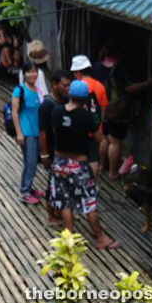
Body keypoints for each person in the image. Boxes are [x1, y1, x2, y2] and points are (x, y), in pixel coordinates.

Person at [49, 79, 119, 249]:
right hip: (78, 165)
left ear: (70, 95)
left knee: (65, 203)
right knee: (89, 203)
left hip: (59, 163)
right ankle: (100, 238)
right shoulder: (86, 116)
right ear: (85, 98)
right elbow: (99, 138)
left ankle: (69, 240)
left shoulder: (56, 111)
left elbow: (54, 131)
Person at [92, 43, 152, 179]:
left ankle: (102, 166)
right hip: (117, 110)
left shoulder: (96, 67)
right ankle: (113, 172)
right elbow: (128, 88)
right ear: (117, 55)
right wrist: (147, 84)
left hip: (101, 107)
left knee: (104, 138)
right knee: (115, 141)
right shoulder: (119, 69)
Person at [38, 69, 70, 225]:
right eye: (65, 85)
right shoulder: (47, 105)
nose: (67, 88)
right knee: (52, 184)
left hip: (63, 149)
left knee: (62, 183)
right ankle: (51, 215)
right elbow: (42, 132)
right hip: (52, 150)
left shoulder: (64, 101)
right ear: (54, 84)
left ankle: (59, 211)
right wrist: (44, 155)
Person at [12, 61, 44, 205]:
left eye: (34, 71)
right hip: (26, 131)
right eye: (29, 71)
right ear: (23, 74)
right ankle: (24, 191)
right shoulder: (19, 90)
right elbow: (14, 112)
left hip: (37, 130)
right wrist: (19, 132)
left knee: (31, 161)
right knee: (30, 161)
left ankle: (29, 188)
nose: (33, 74)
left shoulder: (37, 89)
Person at [70, 55, 108, 176]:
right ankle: (92, 184)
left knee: (78, 155)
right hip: (95, 129)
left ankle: (78, 180)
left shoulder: (75, 86)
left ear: (77, 72)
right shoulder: (100, 86)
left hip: (78, 128)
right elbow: (103, 108)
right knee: (93, 157)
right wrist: (98, 125)